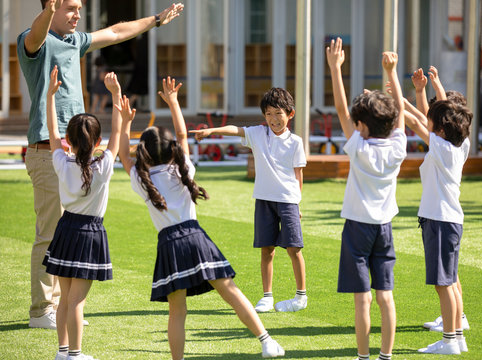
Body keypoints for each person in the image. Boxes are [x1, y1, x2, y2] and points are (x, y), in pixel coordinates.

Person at [17, 0, 184, 329]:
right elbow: (37, 34)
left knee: (72, 232)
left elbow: (117, 31)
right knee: (49, 233)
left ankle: (65, 306)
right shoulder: (32, 40)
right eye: (70, 8)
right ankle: (42, 311)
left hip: (79, 152)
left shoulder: (74, 41)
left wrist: (156, 20)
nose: (77, 14)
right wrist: (50, 10)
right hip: (47, 150)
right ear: (51, 7)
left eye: (79, 7)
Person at [117, 76, 285, 360]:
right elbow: (183, 136)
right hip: (196, 238)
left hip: (169, 245)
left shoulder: (142, 179)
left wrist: (123, 120)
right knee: (230, 291)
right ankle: (266, 341)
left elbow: (123, 154)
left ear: (143, 154)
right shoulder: (182, 169)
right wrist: (173, 101)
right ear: (171, 150)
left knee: (177, 311)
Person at [191, 88, 308, 314]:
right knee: (267, 250)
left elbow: (298, 175)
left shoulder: (295, 142)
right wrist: (212, 131)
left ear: (290, 114)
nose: (273, 119)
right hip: (263, 200)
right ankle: (266, 296)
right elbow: (236, 130)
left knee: (294, 248)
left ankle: (301, 296)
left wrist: (297, 204)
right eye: (268, 114)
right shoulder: (257, 134)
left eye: (278, 113)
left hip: (287, 201)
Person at [326, 38, 407, 360]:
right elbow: (399, 113)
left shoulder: (358, 147)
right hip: (385, 228)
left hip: (358, 229)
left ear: (361, 126)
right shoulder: (398, 148)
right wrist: (392, 73)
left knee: (363, 300)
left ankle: (363, 356)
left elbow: (341, 110)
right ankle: (386, 356)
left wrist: (335, 68)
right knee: (385, 297)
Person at [43, 66, 122, 360]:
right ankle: (74, 355)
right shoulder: (102, 168)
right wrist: (116, 95)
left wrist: (50, 97)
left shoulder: (63, 163)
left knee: (65, 299)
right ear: (96, 142)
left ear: (70, 140)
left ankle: (63, 352)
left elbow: (51, 132)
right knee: (77, 301)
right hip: (89, 234)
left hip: (65, 230)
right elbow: (116, 137)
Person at [402, 95, 472, 354]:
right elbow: (422, 119)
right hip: (449, 221)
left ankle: (449, 340)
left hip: (440, 222)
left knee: (443, 284)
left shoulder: (441, 148)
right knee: (450, 282)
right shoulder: (459, 146)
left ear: (441, 130)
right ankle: (456, 338)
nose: (427, 122)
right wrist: (404, 99)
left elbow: (414, 121)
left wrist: (392, 99)